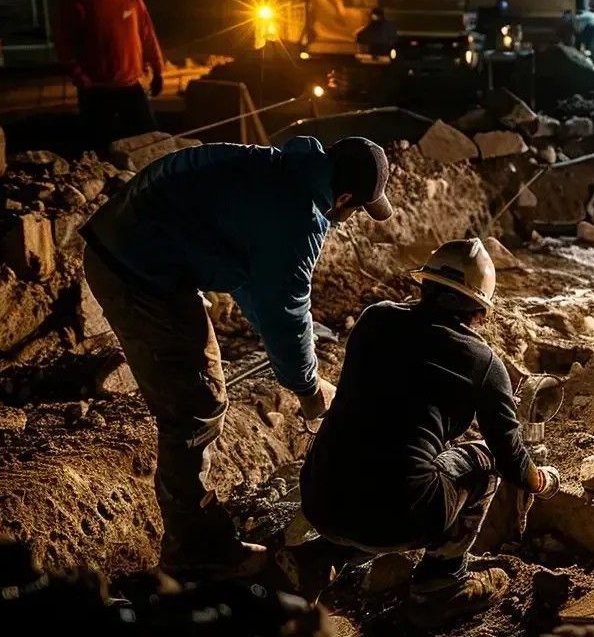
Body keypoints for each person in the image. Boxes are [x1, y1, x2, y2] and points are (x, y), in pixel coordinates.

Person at [81, 136, 395, 576]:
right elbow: (285, 309)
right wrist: (307, 386)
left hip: (134, 242)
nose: (347, 217)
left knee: (204, 387)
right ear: (344, 198)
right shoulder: (300, 215)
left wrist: (296, 370)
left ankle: (196, 537)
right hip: (136, 268)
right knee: (196, 406)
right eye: (355, 209)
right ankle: (195, 550)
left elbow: (254, 281)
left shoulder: (281, 168)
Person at [299, 239, 560, 617]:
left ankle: (325, 556)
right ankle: (442, 581)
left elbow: (399, 388)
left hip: (320, 500)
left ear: (423, 287)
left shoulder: (375, 319)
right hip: (398, 520)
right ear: (481, 310)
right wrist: (543, 482)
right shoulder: (483, 363)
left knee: (377, 448)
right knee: (482, 463)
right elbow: (511, 462)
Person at [55, 0, 164, 152]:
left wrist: (158, 70)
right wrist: (82, 79)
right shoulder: (74, 2)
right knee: (97, 147)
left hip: (130, 86)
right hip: (95, 90)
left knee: (149, 141)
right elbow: (65, 46)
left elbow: (147, 34)